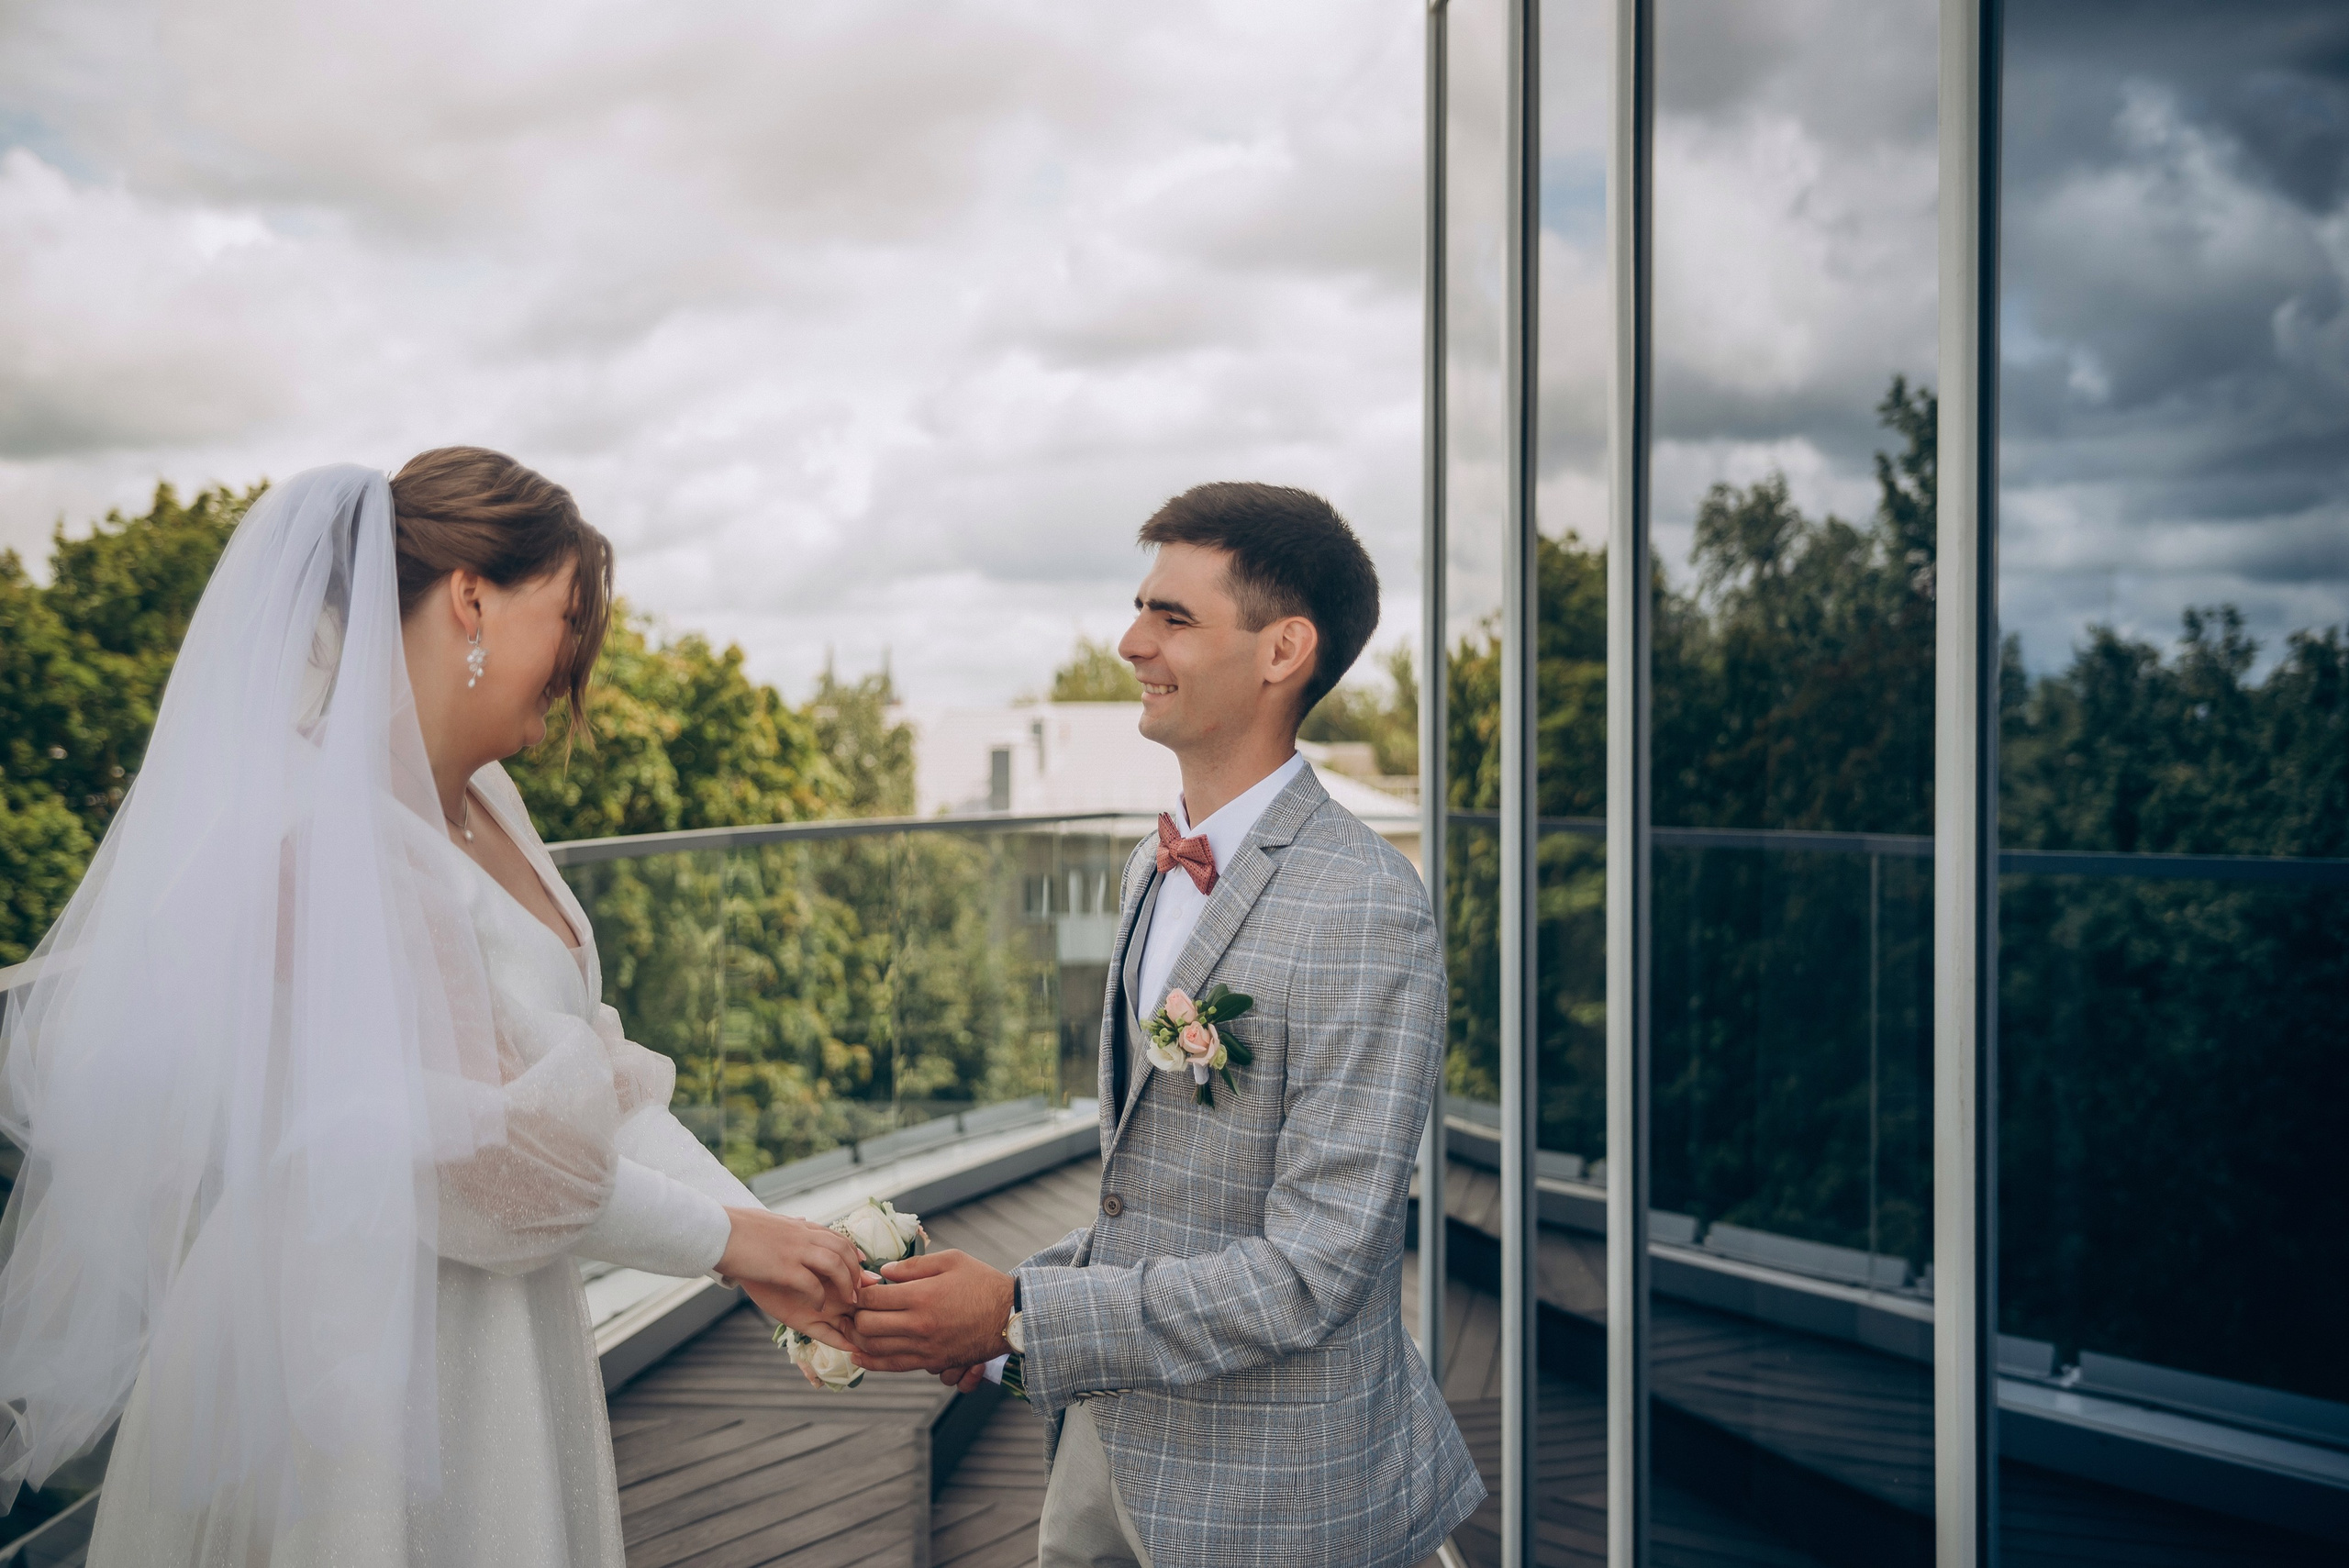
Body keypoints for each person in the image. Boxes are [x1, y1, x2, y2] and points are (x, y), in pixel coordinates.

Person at [0, 450, 863, 1566]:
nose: (574, 663)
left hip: (501, 1321)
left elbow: (591, 1081)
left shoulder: (483, 799)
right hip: (366, 1356)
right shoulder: (324, 835)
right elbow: (481, 1163)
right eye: (562, 614)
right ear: (469, 598)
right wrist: (730, 1239)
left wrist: (773, 1243)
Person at [844, 483, 1485, 1566]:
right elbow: (1155, 1198)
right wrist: (995, 1312)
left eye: (1172, 617)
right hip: (1110, 1437)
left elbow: (1312, 1271)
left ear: (1284, 649)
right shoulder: (1152, 860)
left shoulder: (1368, 904)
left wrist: (1013, 1315)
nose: (1130, 640)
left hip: (1276, 1495)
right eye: (1140, 606)